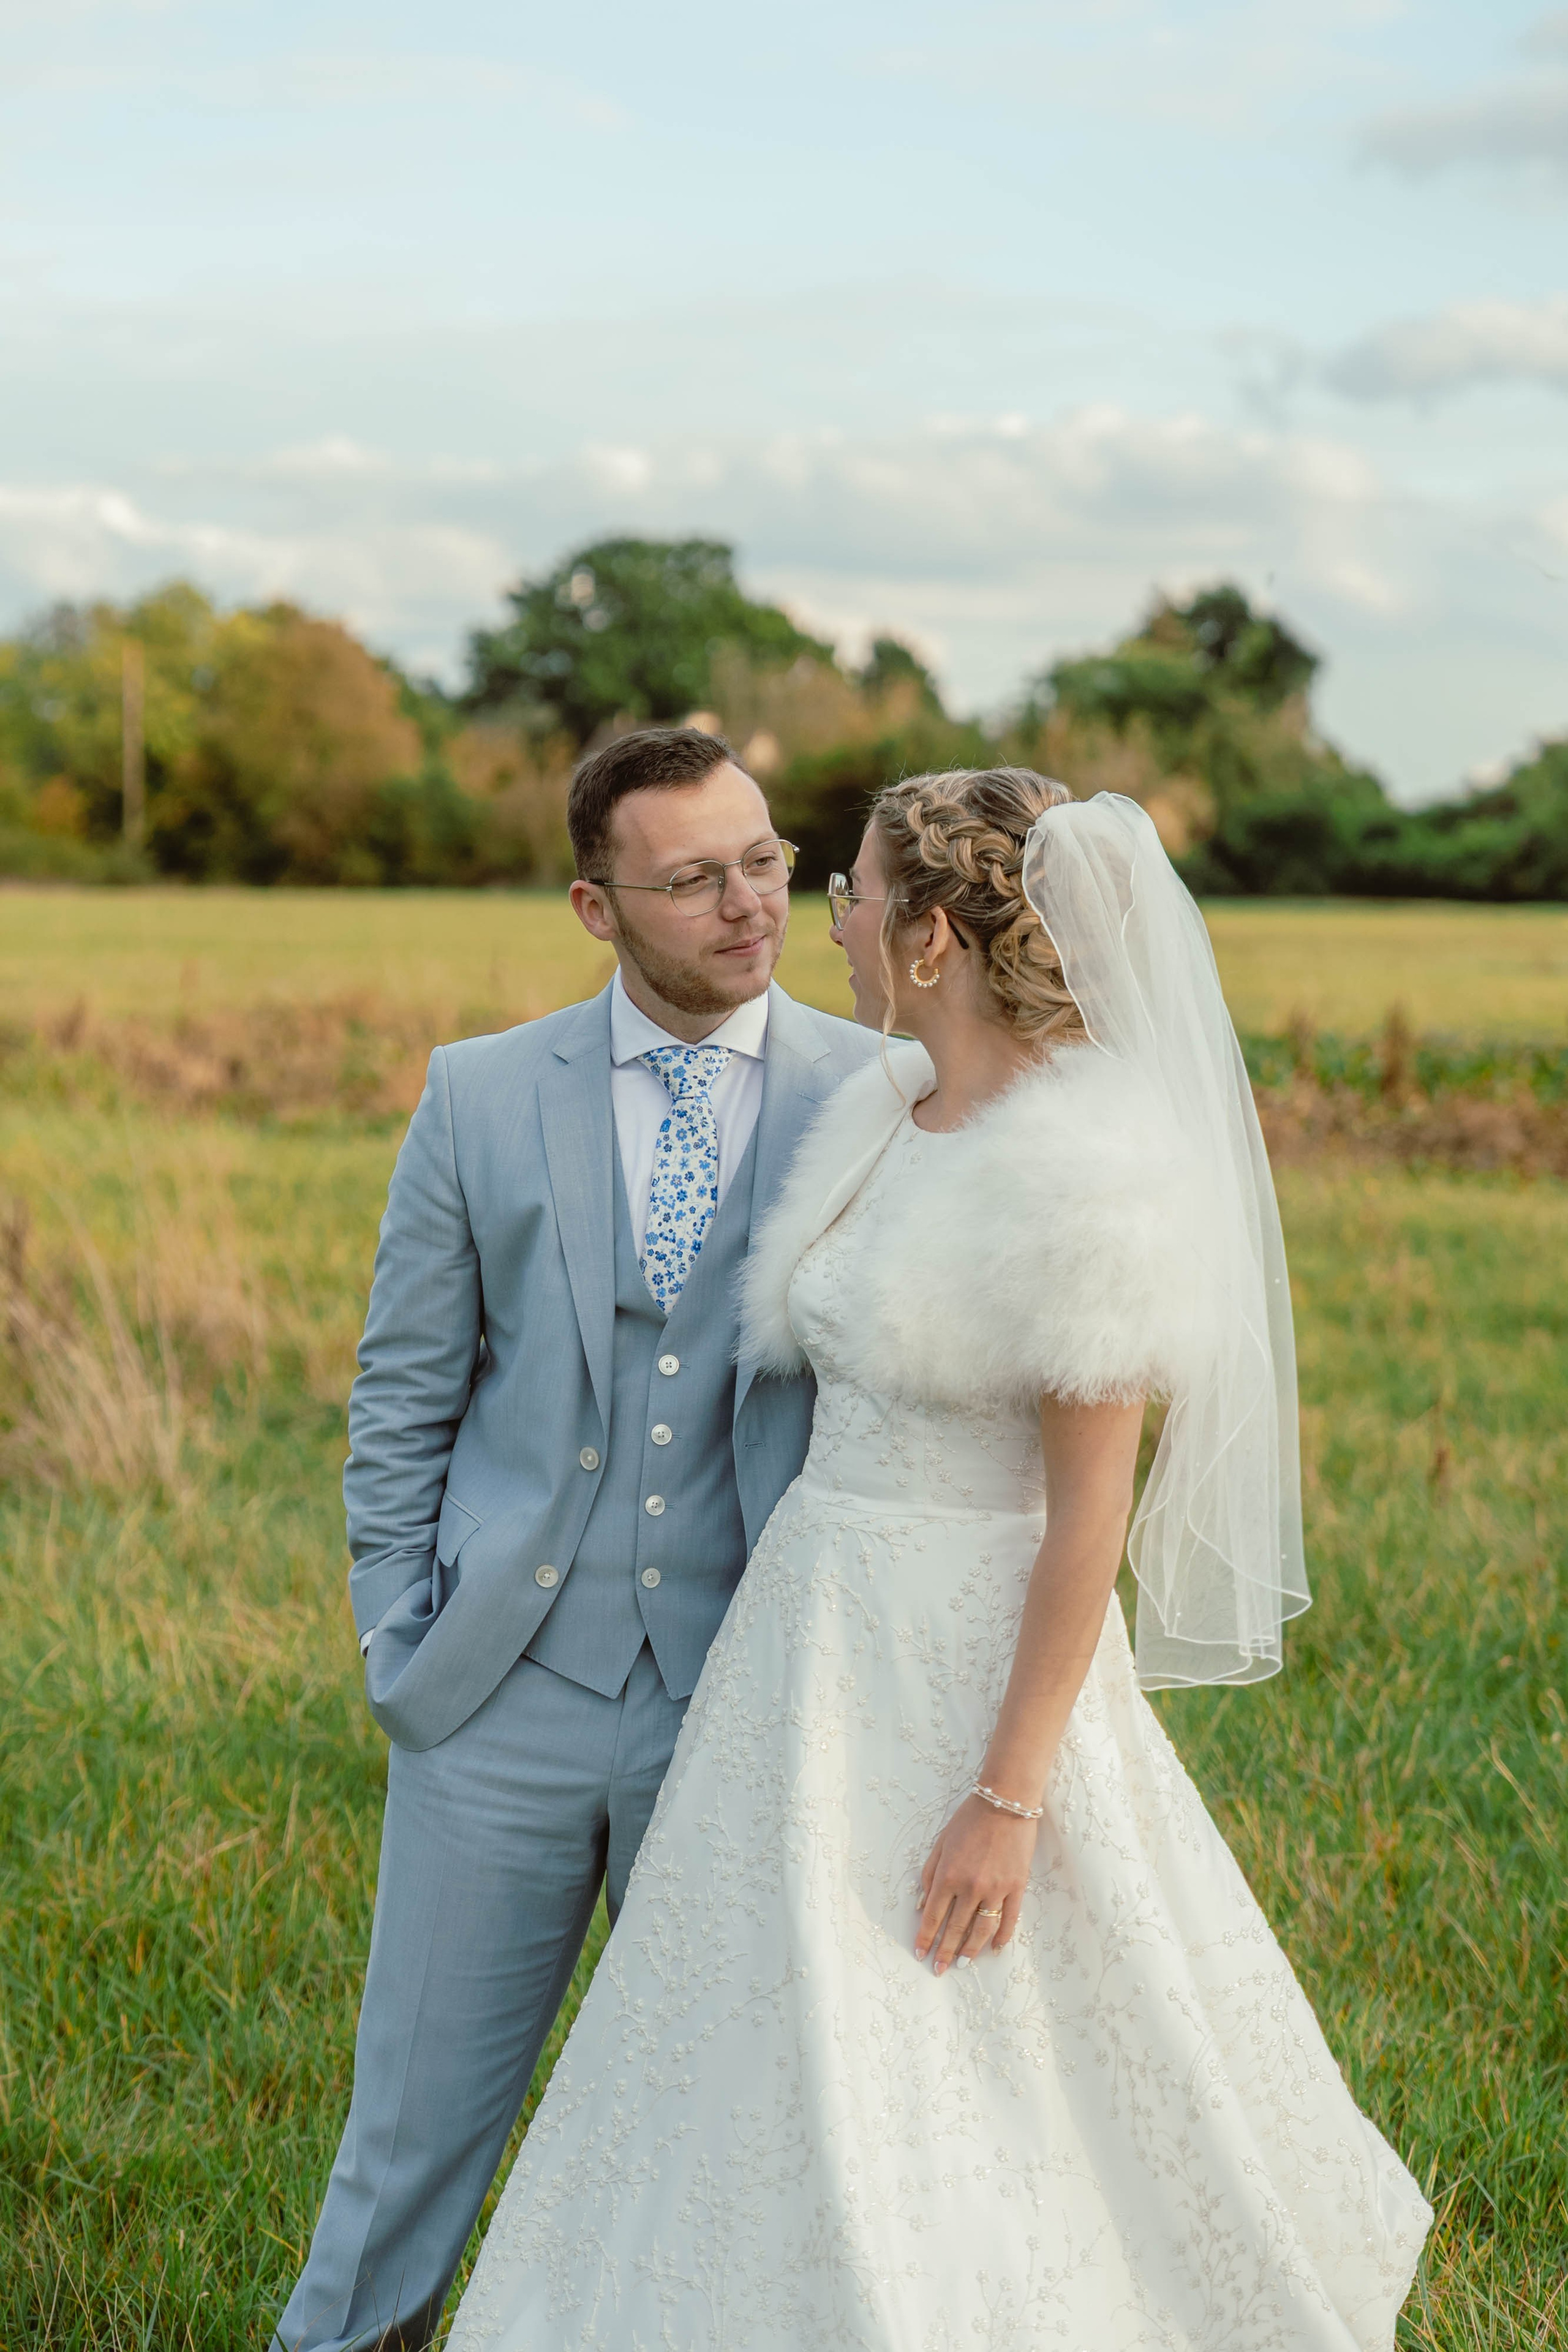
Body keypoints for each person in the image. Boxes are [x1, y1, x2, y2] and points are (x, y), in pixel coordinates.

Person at [444, 769, 1433, 2351]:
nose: (815, 917)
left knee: (978, 2027)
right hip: (809, 1644)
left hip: (976, 1661)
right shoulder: (877, 1114)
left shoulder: (1087, 1168)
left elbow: (1087, 1520)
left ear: (930, 939)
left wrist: (1008, 1794)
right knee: (766, 2021)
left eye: (845, 890)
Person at [272, 727, 881, 2352]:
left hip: (743, 1699)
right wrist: (399, 1637)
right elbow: (404, 1387)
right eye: (690, 881)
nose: (749, 906)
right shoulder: (480, 1093)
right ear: (595, 906)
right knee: (410, 2137)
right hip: (497, 1692)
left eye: (762, 860)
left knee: (717, 2135)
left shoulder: (873, 1094)